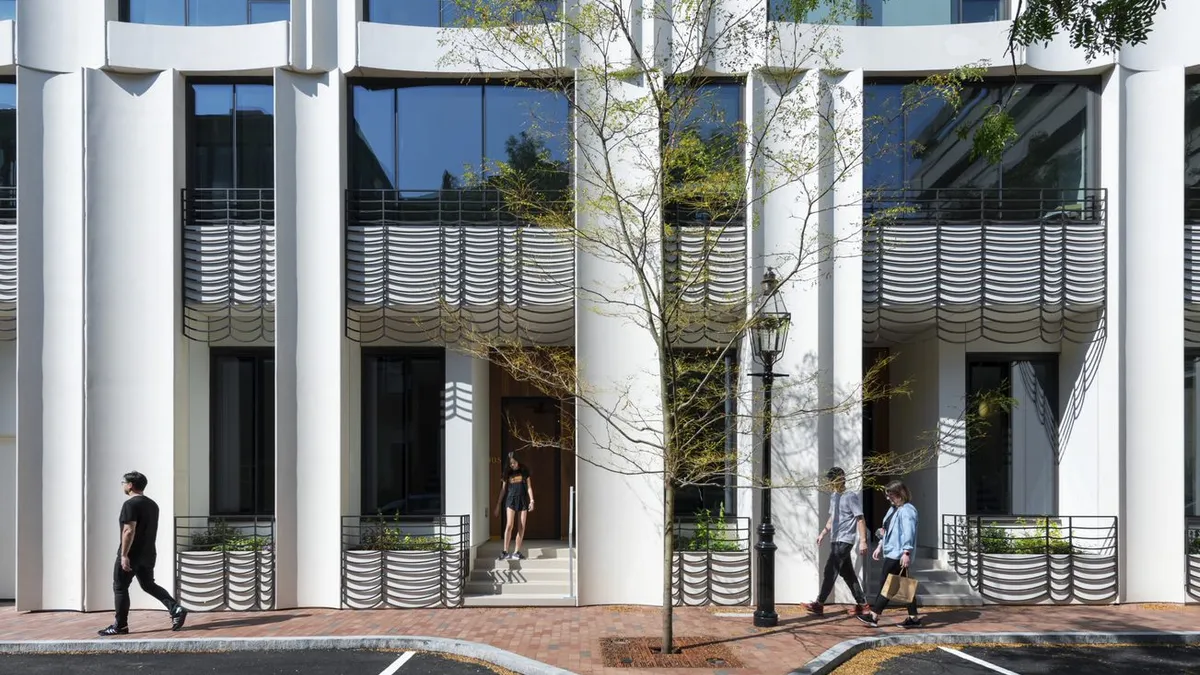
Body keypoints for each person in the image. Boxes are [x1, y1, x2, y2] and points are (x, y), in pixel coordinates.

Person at [98, 471, 188, 636]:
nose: (122, 485)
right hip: (148, 553)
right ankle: (176, 608)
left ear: (130, 485)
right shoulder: (152, 505)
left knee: (120, 587)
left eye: (123, 482)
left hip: (132, 554)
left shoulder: (130, 504)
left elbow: (128, 530)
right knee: (148, 585)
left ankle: (120, 626)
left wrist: (124, 555)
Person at [804, 467, 868, 616]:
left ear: (842, 478)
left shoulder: (850, 496)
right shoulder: (834, 496)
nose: (832, 483)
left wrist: (863, 541)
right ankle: (863, 605)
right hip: (835, 539)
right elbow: (833, 517)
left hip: (845, 540)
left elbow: (860, 518)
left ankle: (819, 604)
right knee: (848, 574)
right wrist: (823, 533)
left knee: (830, 570)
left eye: (835, 479)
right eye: (831, 480)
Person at [858, 480, 921, 628]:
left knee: (887, 584)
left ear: (900, 494)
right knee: (904, 585)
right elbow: (885, 530)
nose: (888, 498)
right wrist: (880, 546)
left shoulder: (907, 510)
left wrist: (906, 552)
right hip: (891, 552)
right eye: (887, 495)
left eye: (890, 495)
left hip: (898, 554)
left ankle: (874, 616)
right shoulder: (893, 509)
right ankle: (914, 619)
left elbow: (908, 533)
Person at [493, 452, 535, 560]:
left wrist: (532, 500)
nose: (512, 465)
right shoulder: (508, 472)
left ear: (518, 461)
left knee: (521, 526)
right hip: (510, 500)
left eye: (514, 463)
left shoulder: (524, 471)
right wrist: (498, 505)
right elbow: (503, 490)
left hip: (522, 500)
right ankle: (505, 551)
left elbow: (529, 487)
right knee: (509, 525)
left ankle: (516, 552)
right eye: (510, 463)